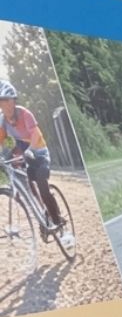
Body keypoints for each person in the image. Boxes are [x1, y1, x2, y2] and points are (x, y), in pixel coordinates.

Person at [0, 81, 65, 228]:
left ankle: (57, 219)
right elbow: (1, 141)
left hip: (39, 152)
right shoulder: (2, 120)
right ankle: (42, 214)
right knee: (25, 184)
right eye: (1, 102)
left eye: (7, 100)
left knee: (42, 182)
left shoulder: (24, 113)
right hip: (23, 154)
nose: (5, 105)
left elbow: (35, 134)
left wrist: (30, 149)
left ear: (13, 100)